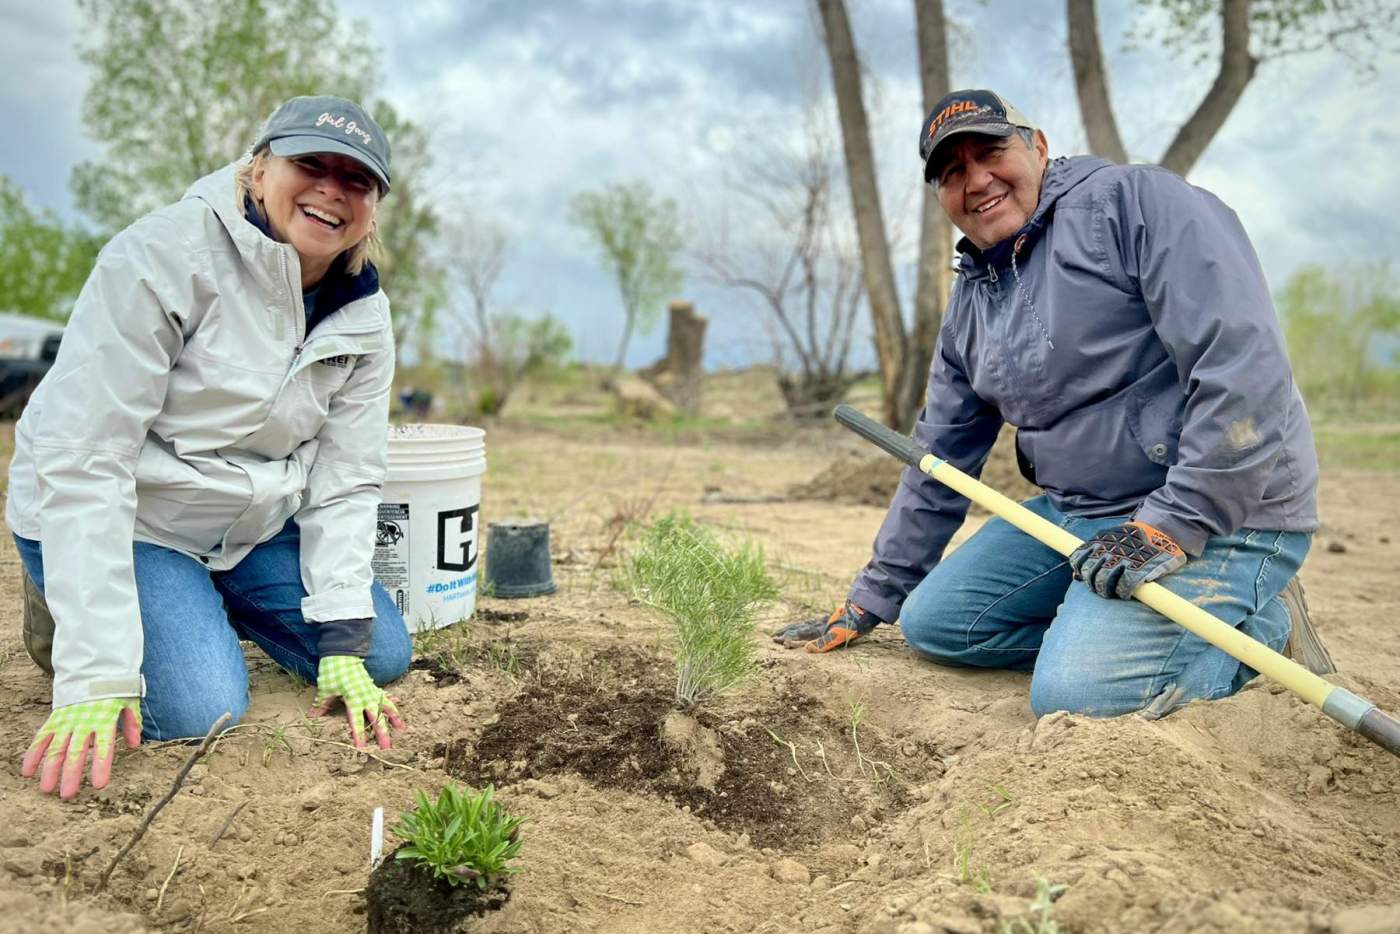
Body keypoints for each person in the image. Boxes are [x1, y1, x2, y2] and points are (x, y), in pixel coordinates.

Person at [774, 89, 1334, 718]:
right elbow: (939, 461)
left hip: (1222, 512)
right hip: (1085, 516)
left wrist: (1175, 523)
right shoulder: (970, 305)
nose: (976, 181)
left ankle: (1259, 632)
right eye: (952, 172)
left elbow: (1242, 369)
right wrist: (872, 597)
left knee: (1075, 696)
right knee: (937, 625)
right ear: (941, 196)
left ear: (1038, 147)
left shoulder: (1137, 204)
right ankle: (1114, 635)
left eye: (991, 153)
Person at [9, 95, 412, 800]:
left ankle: (194, 600)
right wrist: (97, 667)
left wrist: (342, 637)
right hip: (137, 516)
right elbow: (89, 457)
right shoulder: (162, 255)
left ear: (372, 208)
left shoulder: (364, 314)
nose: (331, 190)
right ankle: (67, 604)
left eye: (356, 179)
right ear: (259, 169)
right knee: (200, 707)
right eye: (310, 164)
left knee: (376, 652)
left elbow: (346, 479)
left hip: (247, 521)